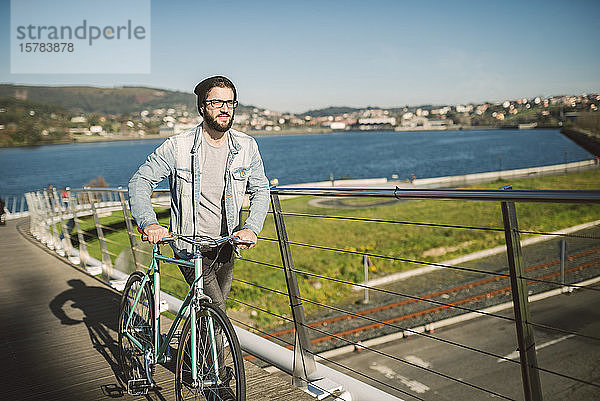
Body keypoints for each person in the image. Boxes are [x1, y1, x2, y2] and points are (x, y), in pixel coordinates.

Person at [128, 76, 269, 399]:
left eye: (230, 102)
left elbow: (260, 189)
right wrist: (149, 222)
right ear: (202, 107)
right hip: (188, 245)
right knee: (215, 309)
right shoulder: (177, 146)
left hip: (226, 245)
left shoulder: (247, 146)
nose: (225, 109)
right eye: (217, 102)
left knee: (207, 311)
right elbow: (140, 182)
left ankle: (196, 360)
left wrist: (252, 227)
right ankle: (216, 382)